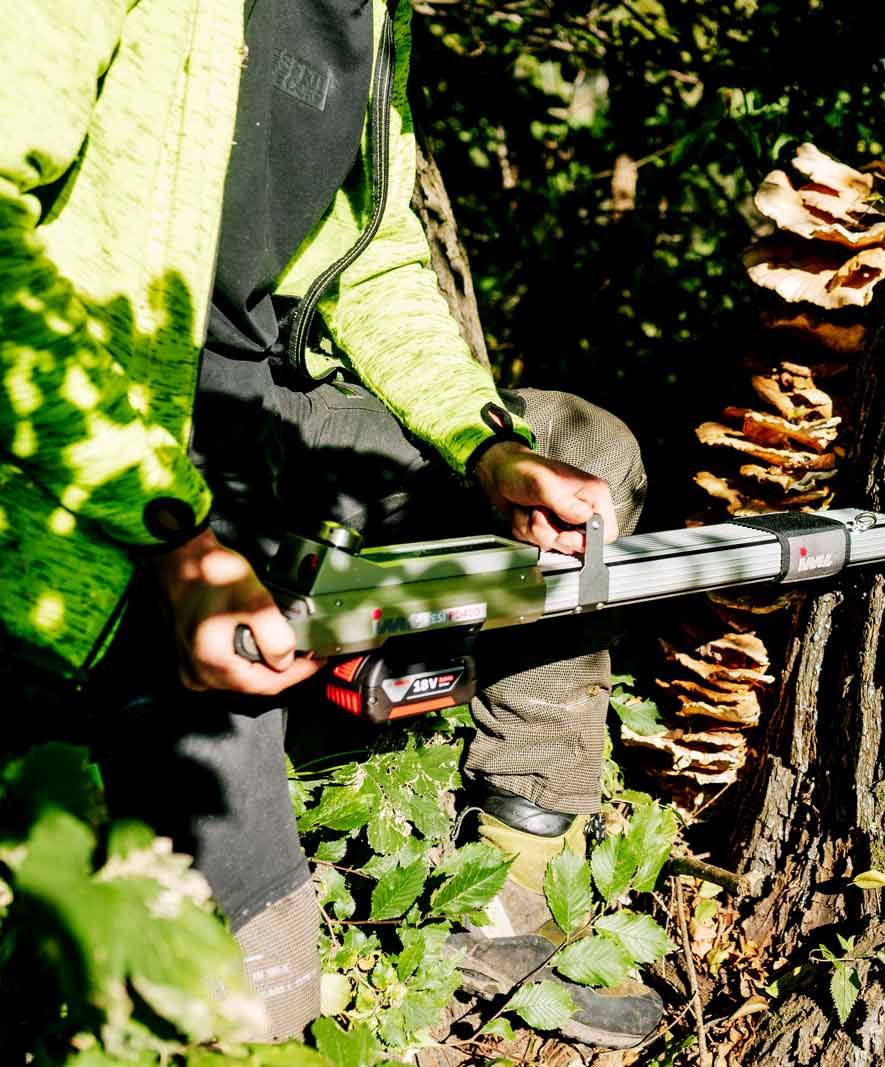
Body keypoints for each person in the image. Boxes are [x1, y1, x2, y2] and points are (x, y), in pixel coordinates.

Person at [0, 0, 662, 1046]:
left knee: (587, 449)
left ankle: (499, 901)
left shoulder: (364, 18)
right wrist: (169, 528)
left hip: (264, 409)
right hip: (92, 435)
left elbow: (376, 265)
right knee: (269, 1015)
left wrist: (487, 450)